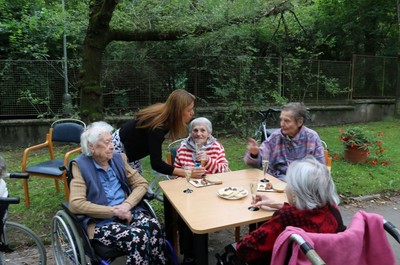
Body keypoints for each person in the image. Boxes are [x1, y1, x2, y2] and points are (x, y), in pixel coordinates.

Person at [69, 121, 166, 265]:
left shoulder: (118, 158)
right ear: (92, 146)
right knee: (137, 237)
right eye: (107, 142)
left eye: (111, 141)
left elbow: (141, 183)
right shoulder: (80, 166)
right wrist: (114, 211)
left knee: (153, 226)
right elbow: (76, 204)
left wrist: (127, 205)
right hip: (100, 222)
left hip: (127, 211)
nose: (112, 146)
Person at [236, 155, 346, 265]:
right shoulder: (333, 211)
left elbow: (245, 248)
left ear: (295, 194)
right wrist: (276, 204)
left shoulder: (287, 219)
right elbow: (307, 212)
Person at [173, 117, 229, 264]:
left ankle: (199, 253)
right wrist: (188, 176)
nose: (198, 133)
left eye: (202, 130)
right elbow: (175, 173)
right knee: (185, 212)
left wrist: (209, 160)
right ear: (191, 132)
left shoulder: (216, 147)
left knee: (199, 212)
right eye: (195, 130)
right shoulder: (183, 148)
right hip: (189, 191)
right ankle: (189, 254)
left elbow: (225, 170)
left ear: (209, 133)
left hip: (212, 191)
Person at [112, 89, 202, 178]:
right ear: (178, 112)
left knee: (140, 185)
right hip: (118, 150)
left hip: (130, 150)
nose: (192, 113)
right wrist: (188, 173)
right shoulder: (157, 127)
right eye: (189, 110)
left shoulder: (165, 117)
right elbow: (156, 164)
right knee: (132, 187)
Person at [244, 102, 325, 181]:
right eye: (281, 120)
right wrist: (254, 154)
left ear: (299, 122)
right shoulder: (275, 138)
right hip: (277, 184)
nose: (282, 124)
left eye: (287, 121)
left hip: (303, 185)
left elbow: (320, 169)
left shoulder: (312, 138)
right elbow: (259, 160)